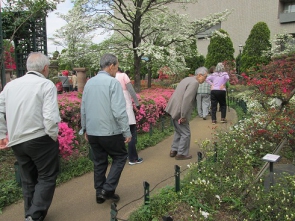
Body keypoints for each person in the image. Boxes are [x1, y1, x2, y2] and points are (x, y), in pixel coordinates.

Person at [0, 52, 61, 221]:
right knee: (47, 176)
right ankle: (34, 215)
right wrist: (53, 136)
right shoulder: (46, 84)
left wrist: (2, 134)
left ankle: (30, 213)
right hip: (40, 137)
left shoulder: (10, 86)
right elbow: (50, 117)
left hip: (18, 140)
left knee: (28, 178)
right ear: (45, 68)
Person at [81, 53, 132, 204]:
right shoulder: (113, 82)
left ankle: (99, 192)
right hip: (110, 131)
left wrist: (84, 129)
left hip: (93, 131)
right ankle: (107, 189)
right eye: (116, 67)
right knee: (120, 156)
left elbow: (83, 108)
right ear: (111, 66)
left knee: (99, 161)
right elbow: (119, 110)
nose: (116, 70)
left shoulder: (89, 83)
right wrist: (126, 131)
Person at [165, 67, 208, 160]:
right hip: (180, 110)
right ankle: (181, 153)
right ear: (199, 75)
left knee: (178, 131)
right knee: (186, 133)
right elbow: (187, 100)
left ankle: (174, 150)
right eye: (205, 76)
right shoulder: (194, 83)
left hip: (173, 107)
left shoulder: (187, 79)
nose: (205, 79)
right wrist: (183, 116)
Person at [115, 68, 143, 165]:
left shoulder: (110, 77)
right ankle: (133, 158)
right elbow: (131, 90)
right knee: (131, 134)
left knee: (120, 135)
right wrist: (137, 103)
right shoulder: (123, 76)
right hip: (126, 109)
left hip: (115, 111)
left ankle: (121, 157)